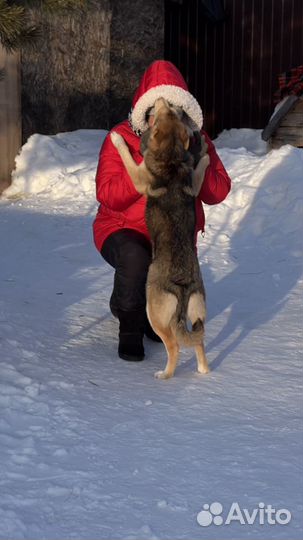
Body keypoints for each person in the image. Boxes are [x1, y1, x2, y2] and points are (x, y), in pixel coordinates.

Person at [93, 60, 231, 362]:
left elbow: (219, 191)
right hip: (121, 229)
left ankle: (152, 313)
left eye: (173, 112)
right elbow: (106, 195)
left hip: (171, 236)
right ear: (146, 114)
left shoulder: (195, 142)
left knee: (167, 285)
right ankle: (129, 325)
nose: (164, 120)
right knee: (135, 257)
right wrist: (148, 169)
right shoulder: (122, 137)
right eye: (157, 114)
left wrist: (196, 160)